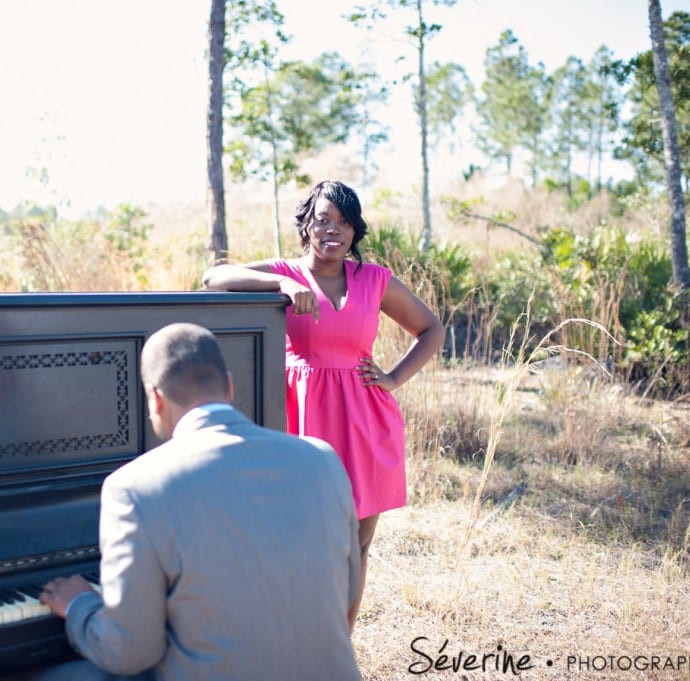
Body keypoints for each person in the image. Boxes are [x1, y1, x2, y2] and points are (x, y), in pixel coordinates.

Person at [36, 322, 362, 681]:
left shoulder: (133, 486)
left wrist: (80, 605)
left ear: (155, 399)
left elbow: (128, 652)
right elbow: (346, 594)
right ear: (230, 386)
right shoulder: (323, 459)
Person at [202, 180, 445, 631]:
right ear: (306, 225)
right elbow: (213, 277)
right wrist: (278, 283)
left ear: (355, 232)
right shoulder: (285, 272)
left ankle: (339, 649)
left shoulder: (375, 280)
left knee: (357, 542)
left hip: (364, 421)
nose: (334, 229)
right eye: (324, 219)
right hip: (302, 419)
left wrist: (392, 378)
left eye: (345, 221)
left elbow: (431, 329)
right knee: (296, 535)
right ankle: (293, 640)